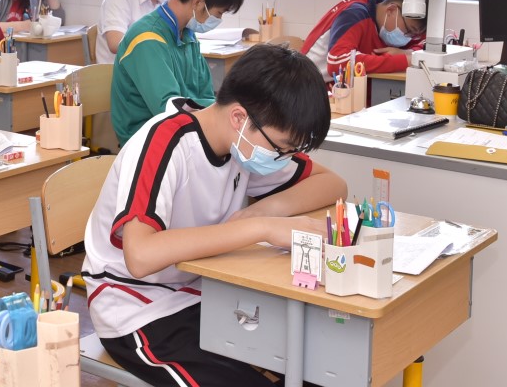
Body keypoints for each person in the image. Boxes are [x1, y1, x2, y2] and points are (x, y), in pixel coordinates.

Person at [83, 44, 348, 386]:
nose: (283, 158)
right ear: (239, 118)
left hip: (207, 290)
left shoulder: (243, 142)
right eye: (281, 148)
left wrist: (263, 211)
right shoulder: (165, 143)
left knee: (321, 367)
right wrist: (262, 228)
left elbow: (333, 184)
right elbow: (140, 255)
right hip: (137, 307)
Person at [110, 0, 243, 147]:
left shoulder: (187, 35)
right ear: (199, 2)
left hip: (183, 133)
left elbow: (205, 94)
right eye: (219, 13)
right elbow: (169, 108)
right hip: (147, 142)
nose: (218, 19)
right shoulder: (146, 39)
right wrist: (225, 108)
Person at [301, 0, 427, 82]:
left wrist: (407, 53)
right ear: (391, 10)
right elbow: (338, 63)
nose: (409, 37)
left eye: (414, 34)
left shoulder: (396, 12)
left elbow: (426, 46)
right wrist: (404, 60)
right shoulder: (353, 14)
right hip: (312, 87)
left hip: (349, 87)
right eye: (409, 30)